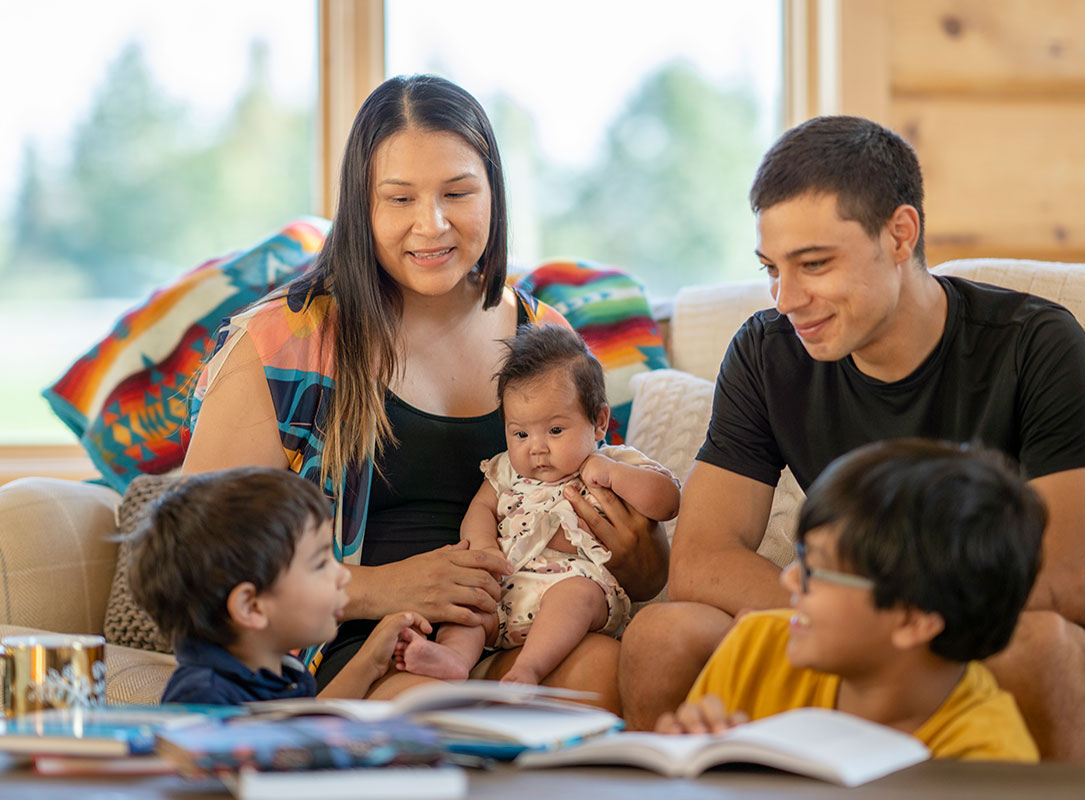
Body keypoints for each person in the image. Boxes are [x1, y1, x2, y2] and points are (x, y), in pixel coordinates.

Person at [619, 115, 1085, 760]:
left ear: (900, 234)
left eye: (813, 264)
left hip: (986, 624)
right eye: (770, 269)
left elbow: (1069, 585)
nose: (786, 298)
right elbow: (702, 560)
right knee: (661, 633)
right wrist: (841, 622)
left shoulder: (1034, 342)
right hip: (841, 619)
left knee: (1038, 646)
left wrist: (882, 621)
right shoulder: (766, 352)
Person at [182, 75, 667, 709]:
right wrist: (381, 588)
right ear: (363, 206)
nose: (431, 225)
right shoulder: (285, 342)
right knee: (438, 714)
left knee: (604, 672)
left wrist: (640, 554)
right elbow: (197, 561)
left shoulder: (546, 338)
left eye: (458, 192)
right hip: (359, 642)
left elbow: (635, 548)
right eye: (400, 198)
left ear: (494, 193)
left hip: (522, 618)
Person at [657, 439, 1042, 762]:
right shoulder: (754, 647)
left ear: (913, 619)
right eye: (801, 557)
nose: (789, 578)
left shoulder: (987, 759)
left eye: (814, 569)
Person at [396, 324, 680, 685]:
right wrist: (483, 548)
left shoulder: (613, 461)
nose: (537, 448)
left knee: (575, 597)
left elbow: (667, 502)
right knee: (468, 608)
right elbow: (481, 509)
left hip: (576, 584)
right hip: (506, 588)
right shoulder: (504, 469)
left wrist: (612, 474)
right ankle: (452, 659)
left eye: (555, 430)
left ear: (599, 423)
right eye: (520, 433)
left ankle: (528, 668)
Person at [130, 466, 433, 704]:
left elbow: (306, 723)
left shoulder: (282, 671)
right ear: (251, 606)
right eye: (320, 564)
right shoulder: (203, 695)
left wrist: (370, 661)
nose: (343, 576)